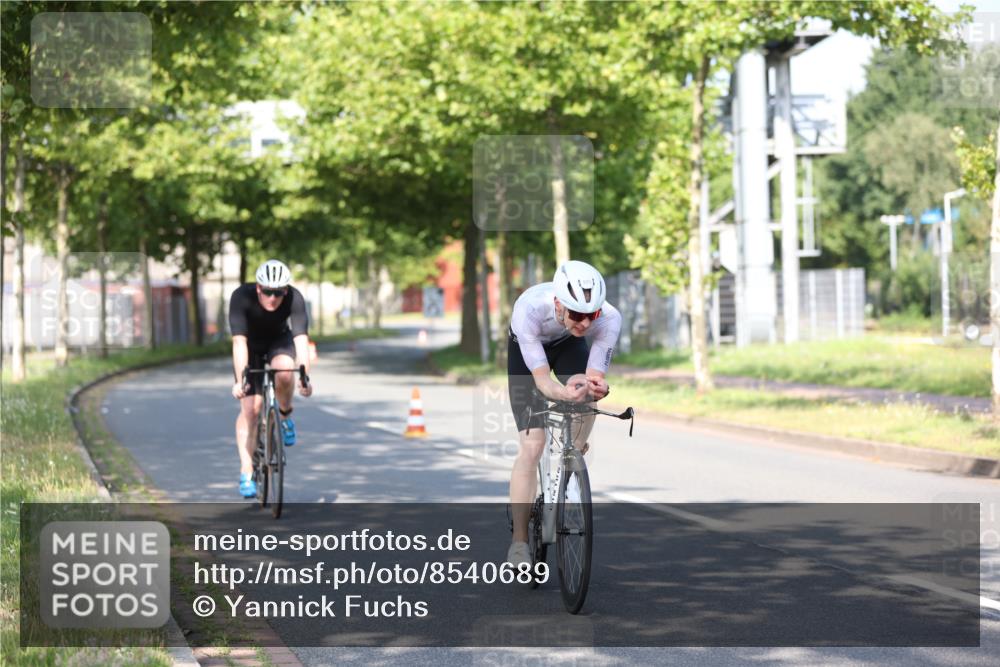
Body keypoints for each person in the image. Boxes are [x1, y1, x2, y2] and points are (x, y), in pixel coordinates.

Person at [505, 260, 622, 566]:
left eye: (590, 315)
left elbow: (594, 377)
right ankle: (519, 543)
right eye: (576, 315)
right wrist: (562, 392)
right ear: (559, 303)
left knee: (586, 395)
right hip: (527, 351)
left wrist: (594, 388)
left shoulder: (609, 319)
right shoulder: (529, 310)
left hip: (566, 345)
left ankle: (573, 453)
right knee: (532, 446)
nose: (584, 323)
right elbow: (543, 381)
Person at [229, 259, 313, 497]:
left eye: (278, 292)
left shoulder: (294, 298)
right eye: (267, 292)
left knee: (285, 370)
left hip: (279, 341)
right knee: (251, 409)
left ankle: (285, 415)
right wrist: (240, 380)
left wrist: (305, 376)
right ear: (258, 288)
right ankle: (247, 471)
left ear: (285, 290)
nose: (273, 298)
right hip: (250, 347)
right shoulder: (241, 297)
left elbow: (300, 339)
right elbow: (239, 342)